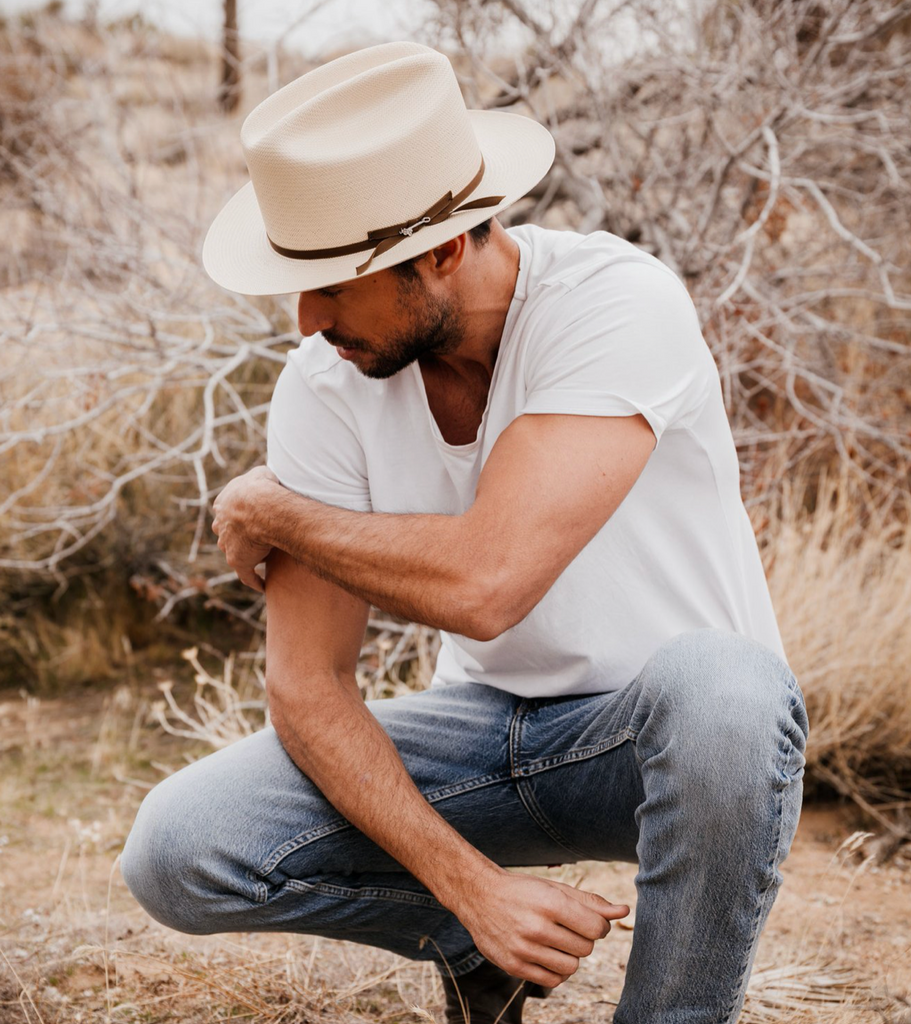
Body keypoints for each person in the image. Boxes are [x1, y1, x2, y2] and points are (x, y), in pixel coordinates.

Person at [119, 41, 809, 1024]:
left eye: (333, 282)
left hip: (671, 739)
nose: (304, 320)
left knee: (728, 687)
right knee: (177, 847)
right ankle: (475, 957)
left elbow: (487, 583)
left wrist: (275, 513)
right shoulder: (326, 377)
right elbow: (305, 681)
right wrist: (467, 889)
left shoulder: (614, 303)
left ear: (442, 248)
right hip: (483, 738)